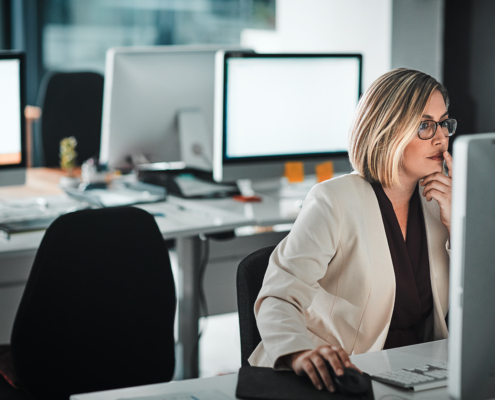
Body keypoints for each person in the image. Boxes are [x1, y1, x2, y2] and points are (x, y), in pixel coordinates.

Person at [248, 68, 455, 393]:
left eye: (443, 122)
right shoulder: (334, 201)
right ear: (388, 130)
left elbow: (474, 302)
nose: (441, 138)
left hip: (416, 375)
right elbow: (279, 295)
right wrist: (299, 352)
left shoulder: (439, 205)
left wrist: (458, 227)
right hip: (338, 375)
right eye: (425, 126)